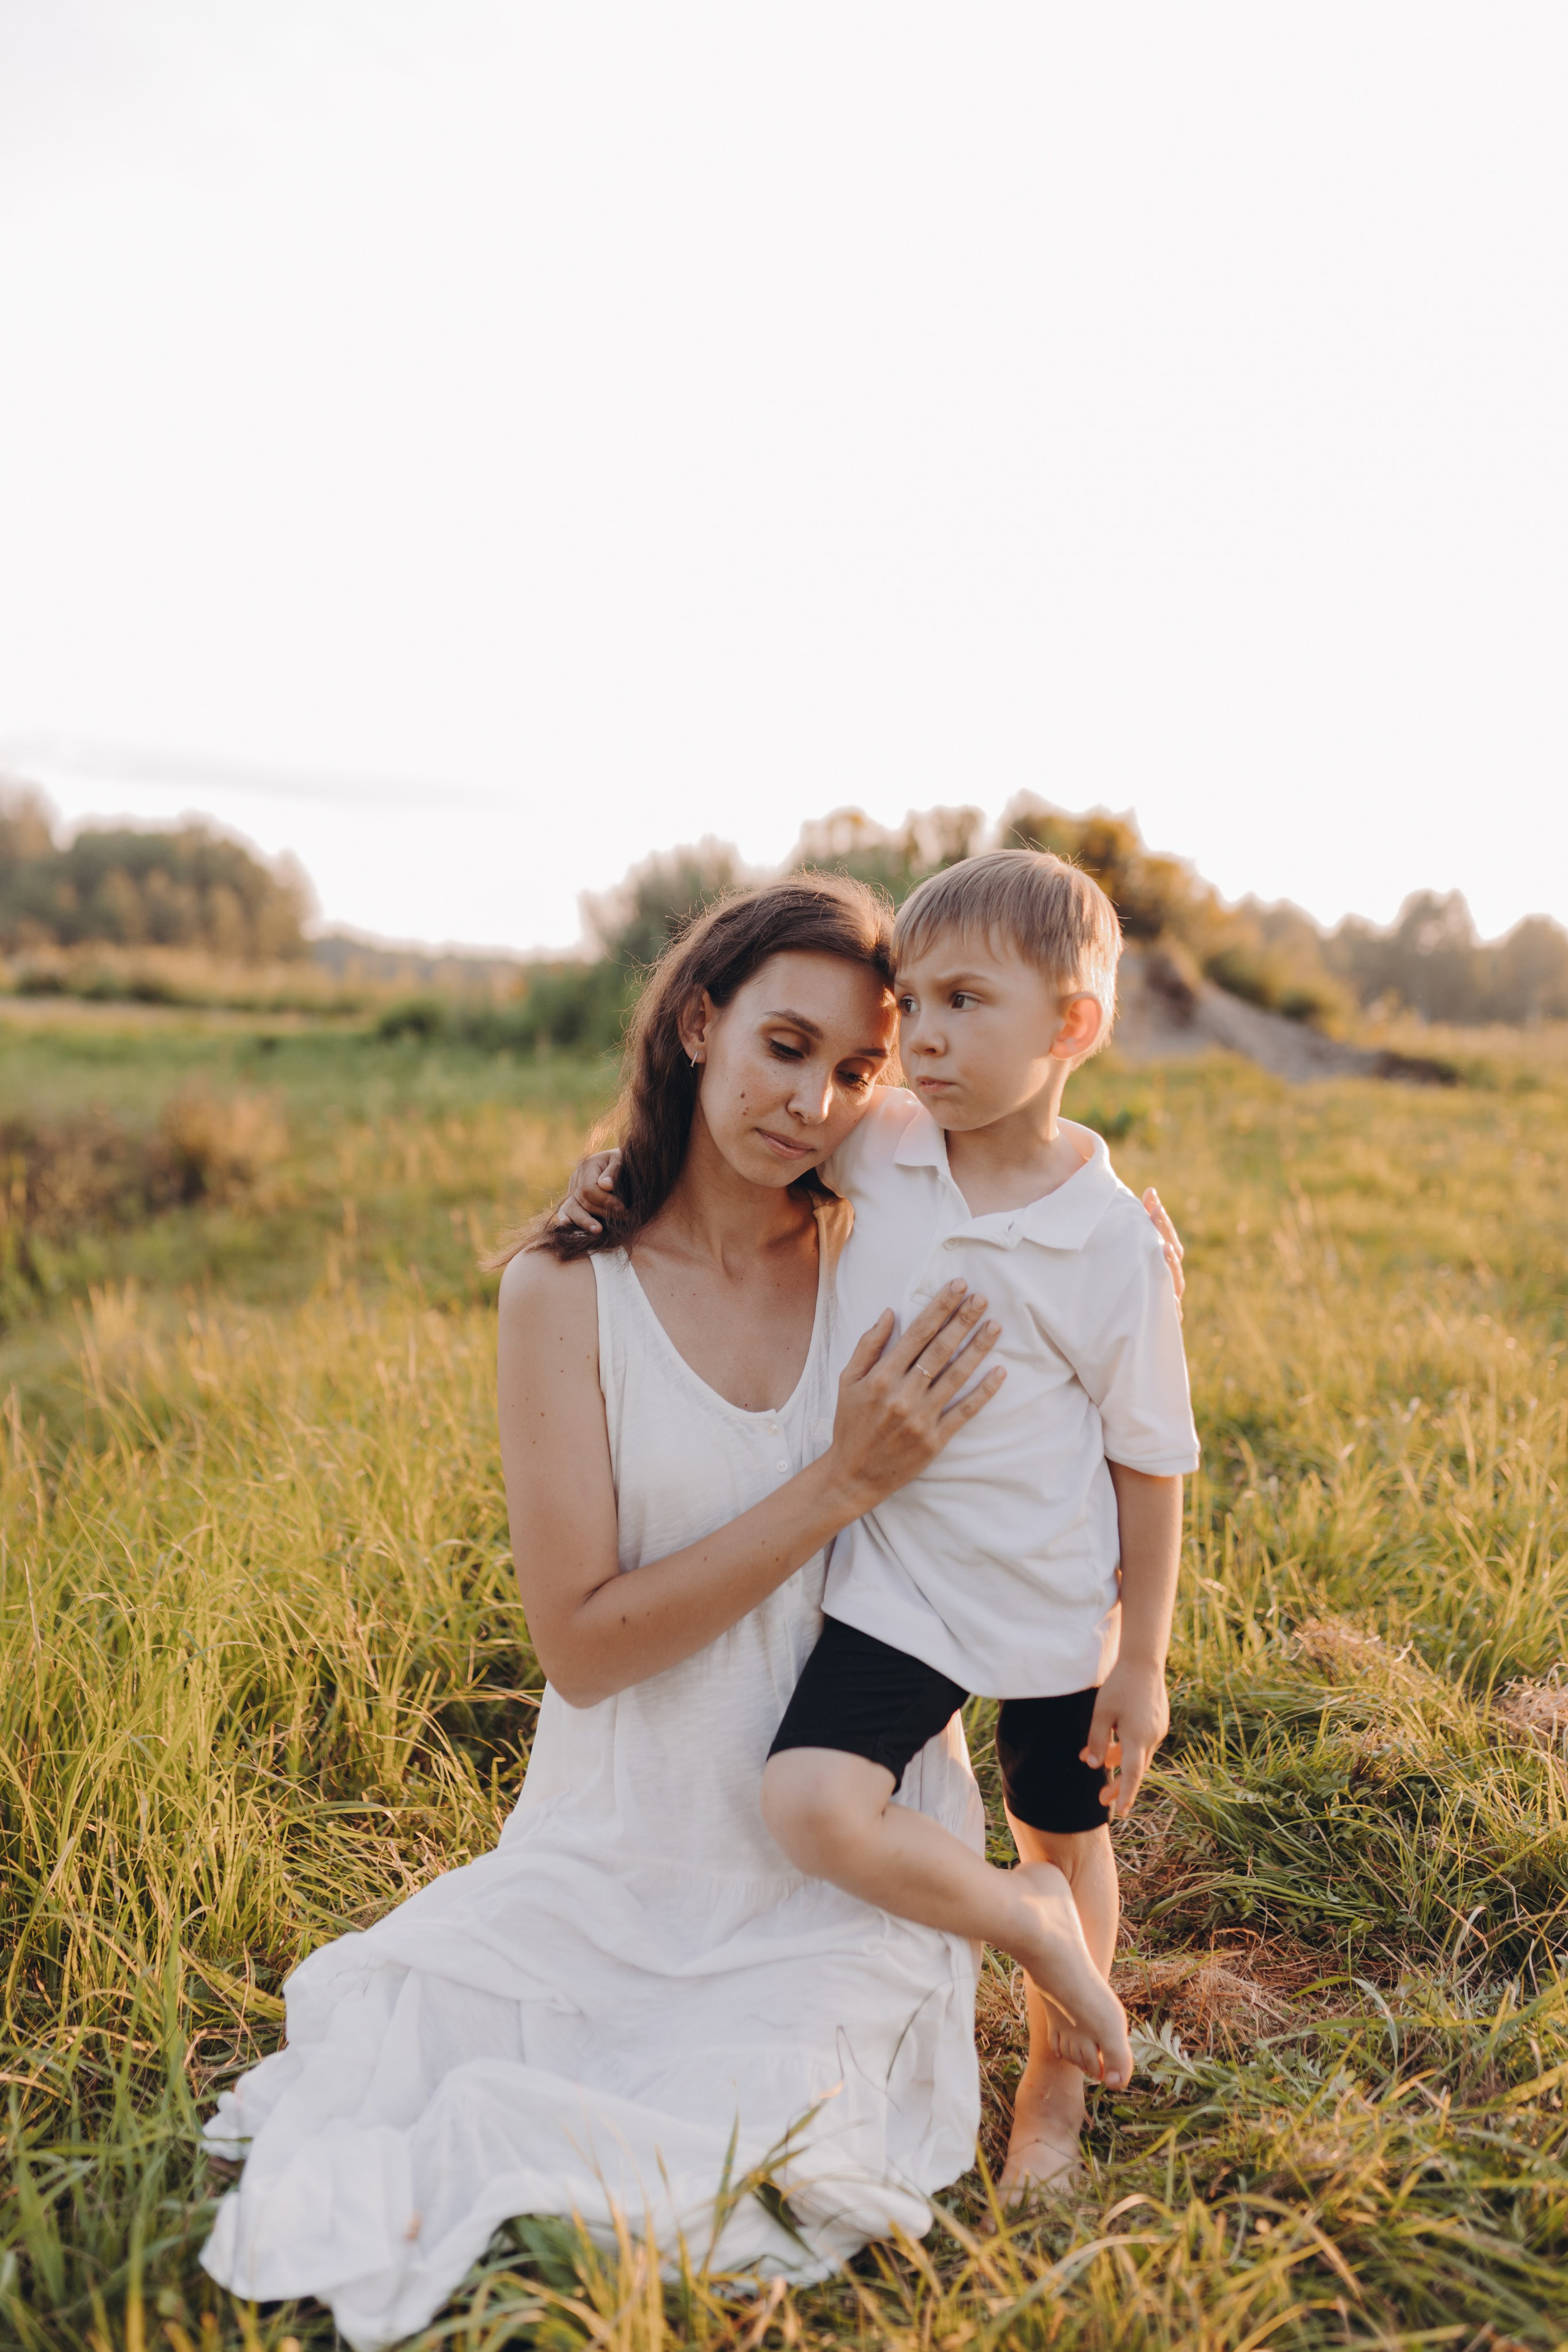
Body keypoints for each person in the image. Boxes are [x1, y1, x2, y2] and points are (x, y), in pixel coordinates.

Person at [199, 875, 1135, 2352]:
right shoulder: (563, 1293)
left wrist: (1142, 1247)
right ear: (696, 1022)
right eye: (780, 1045)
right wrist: (840, 1481)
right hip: (625, 1829)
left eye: (854, 1068)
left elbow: (1051, 1201)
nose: (813, 1103)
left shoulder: (876, 1235)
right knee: (449, 2072)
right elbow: (579, 1646)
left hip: (846, 1842)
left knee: (759, 2140)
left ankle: (1042, 2042)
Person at [759, 850, 1198, 2185]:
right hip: (895, 1585)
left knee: (1066, 1833)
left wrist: (1137, 1660)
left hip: (1050, 1602)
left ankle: (1049, 2107)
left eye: (963, 1002)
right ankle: (1024, 1923)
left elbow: (1150, 1458)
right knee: (810, 1802)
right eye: (912, 1002)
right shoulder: (884, 1142)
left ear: (1069, 1027)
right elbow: (744, 1142)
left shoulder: (1110, 1240)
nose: (920, 1037)